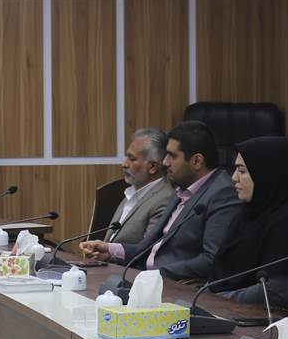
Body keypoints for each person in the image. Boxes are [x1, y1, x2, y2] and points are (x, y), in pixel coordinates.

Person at [81, 120, 242, 281]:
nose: (165, 162)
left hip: (178, 286)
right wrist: (110, 251)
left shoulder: (222, 193)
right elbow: (149, 249)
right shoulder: (181, 189)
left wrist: (154, 275)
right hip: (147, 279)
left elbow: (212, 260)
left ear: (196, 161)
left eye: (172, 155)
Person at [211, 137, 288, 312]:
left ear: (267, 175)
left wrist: (217, 301)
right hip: (225, 309)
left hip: (260, 319)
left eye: (242, 171)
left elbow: (275, 292)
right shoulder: (249, 214)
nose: (233, 178)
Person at [107, 127, 173, 245]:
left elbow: (147, 250)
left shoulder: (165, 199)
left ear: (152, 167)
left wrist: (106, 251)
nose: (124, 164)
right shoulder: (132, 192)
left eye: (132, 159)